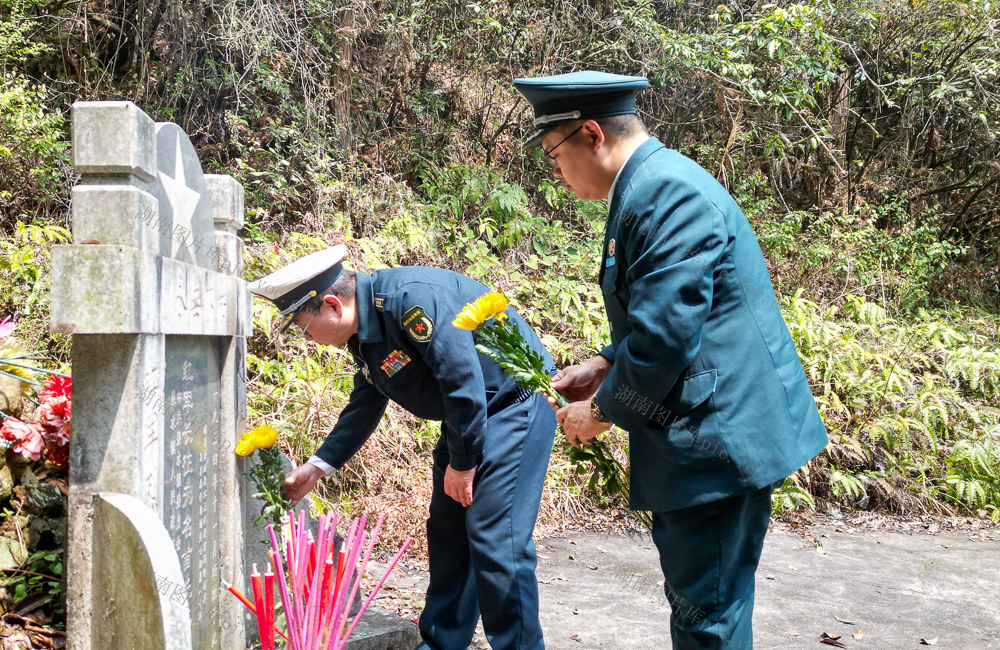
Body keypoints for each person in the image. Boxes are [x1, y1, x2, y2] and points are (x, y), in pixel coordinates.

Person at [512, 71, 828, 649]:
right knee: (708, 606)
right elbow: (673, 313)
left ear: (591, 134)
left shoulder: (663, 192)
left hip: (716, 441)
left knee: (706, 616)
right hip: (703, 434)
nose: (555, 173)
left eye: (554, 153)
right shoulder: (650, 184)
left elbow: (665, 341)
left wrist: (601, 412)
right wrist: (606, 364)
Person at [248, 245, 556, 650]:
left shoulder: (410, 301)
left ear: (331, 305)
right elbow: (366, 401)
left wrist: (462, 465)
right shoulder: (367, 333)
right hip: (467, 418)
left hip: (514, 404)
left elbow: (461, 378)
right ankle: (442, 641)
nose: (309, 340)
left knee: (497, 537)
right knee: (447, 531)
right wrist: (318, 466)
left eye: (305, 329)